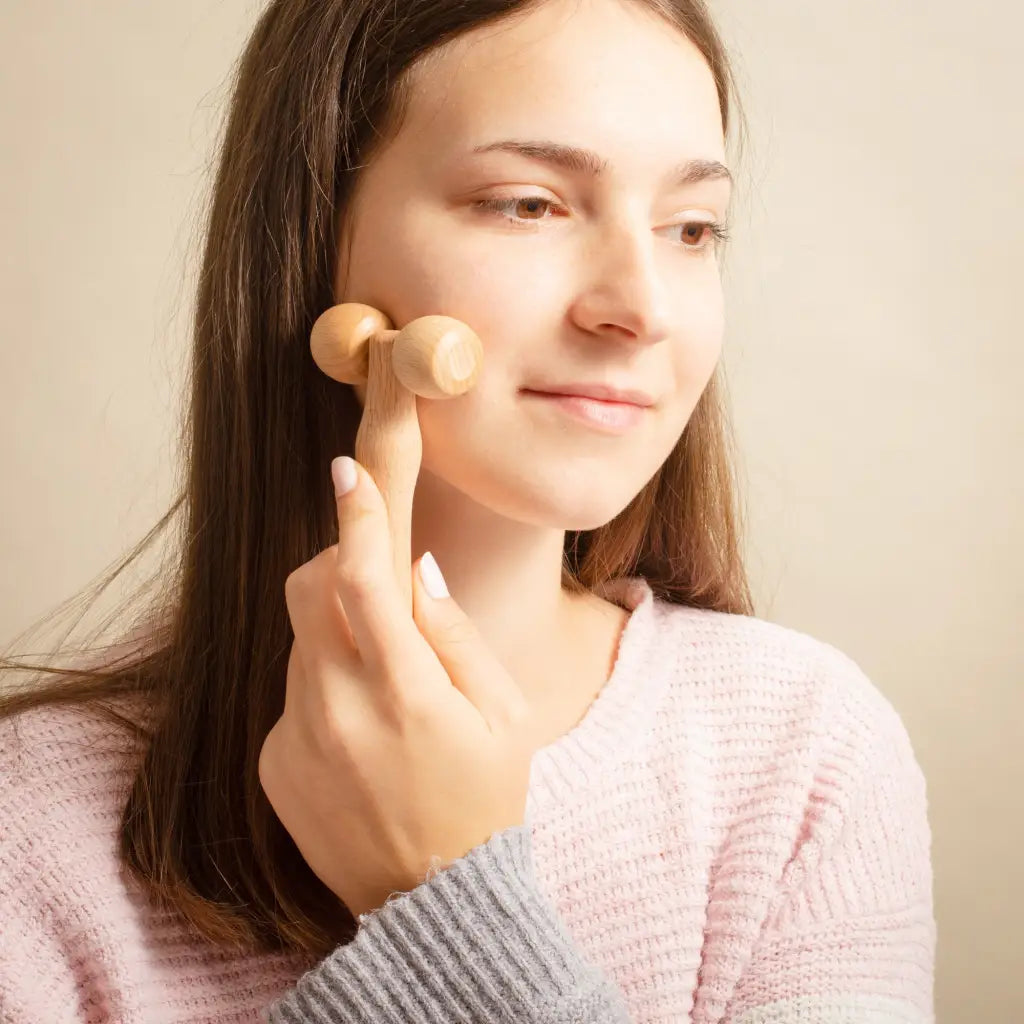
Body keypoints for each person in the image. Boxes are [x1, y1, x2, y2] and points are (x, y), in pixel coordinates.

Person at [0, 0, 937, 1020]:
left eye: (690, 227)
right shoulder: (33, 825)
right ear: (317, 241)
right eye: (528, 203)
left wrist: (444, 902)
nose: (641, 305)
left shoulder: (801, 754)